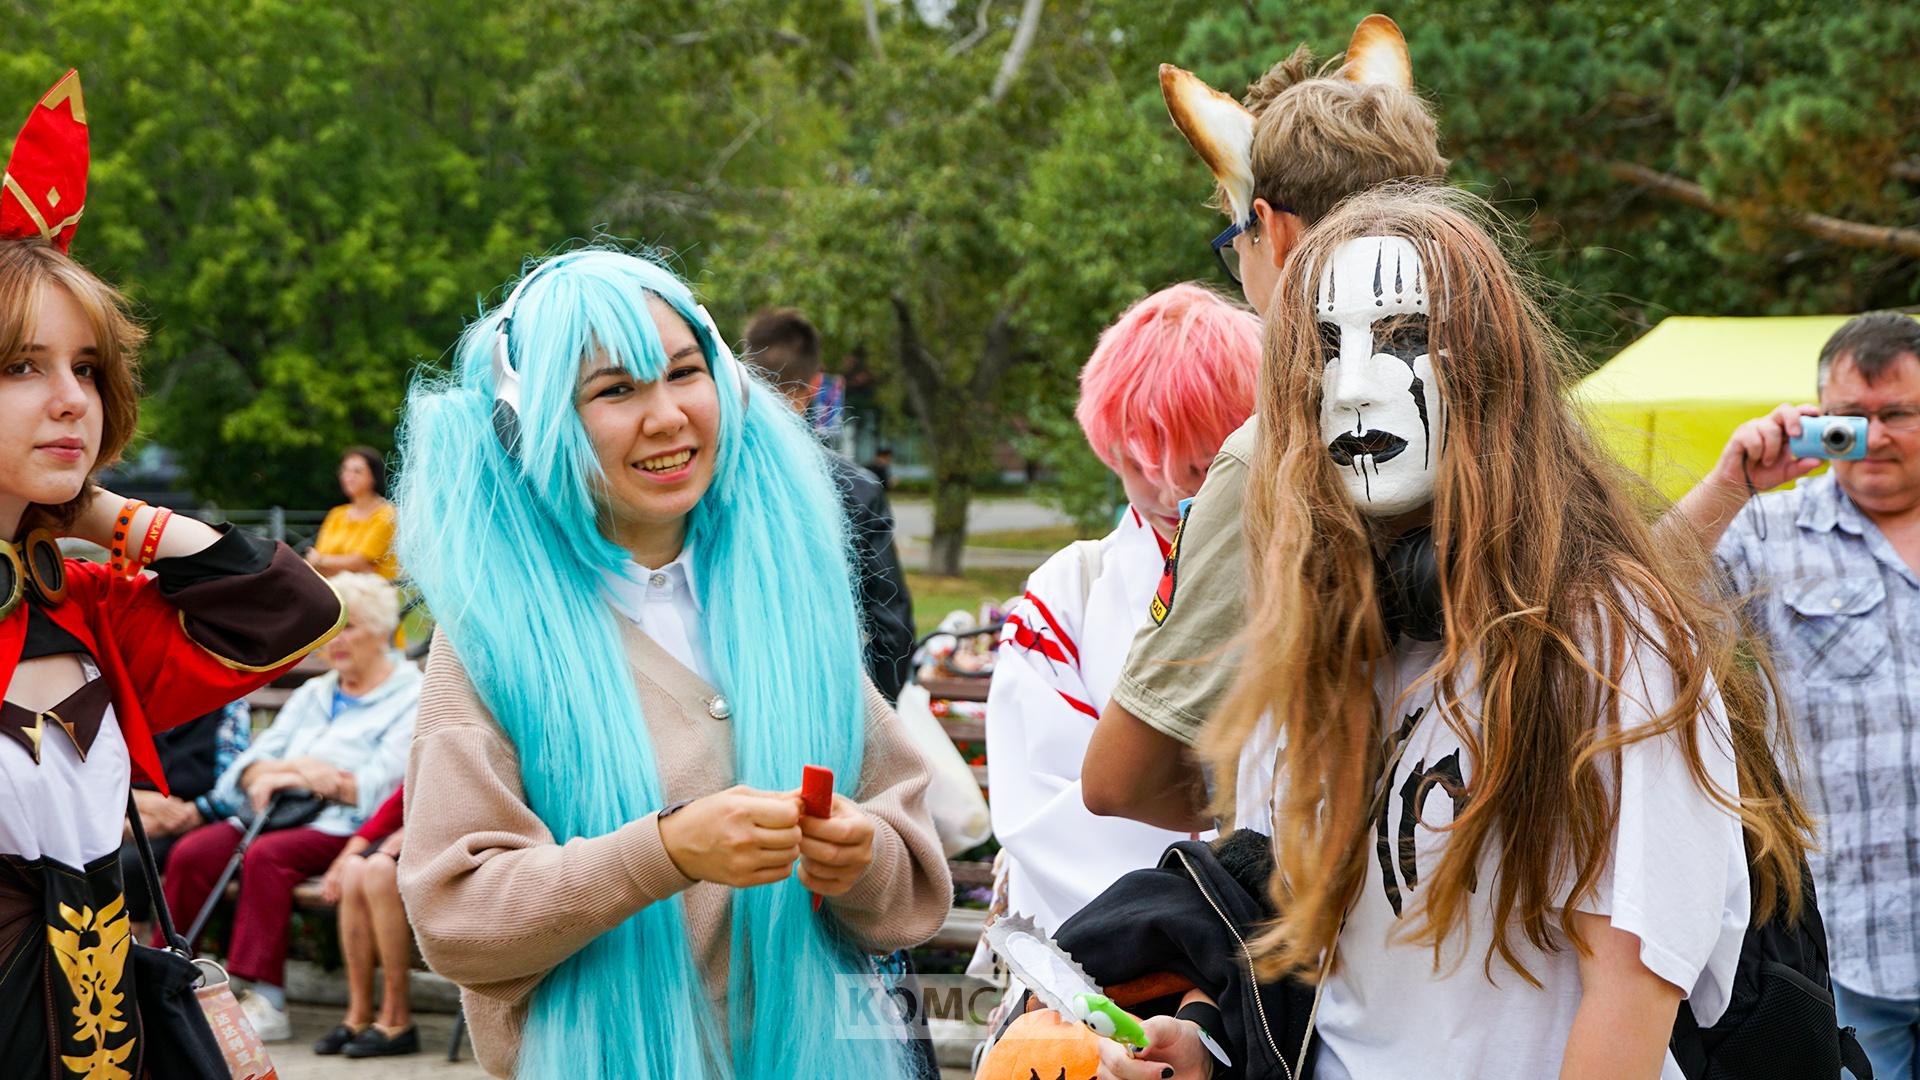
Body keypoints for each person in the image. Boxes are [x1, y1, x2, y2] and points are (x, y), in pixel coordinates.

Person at [1091, 184, 1814, 1080]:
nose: (1354, 384)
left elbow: (1628, 1002)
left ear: (1488, 374)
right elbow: (1303, 938)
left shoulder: (1612, 642)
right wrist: (1208, 1038)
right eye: (1323, 348)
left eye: (1401, 338)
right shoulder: (1321, 635)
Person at [393, 248, 951, 1079]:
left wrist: (859, 855)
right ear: (531, 421)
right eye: (615, 390)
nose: (667, 417)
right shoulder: (489, 640)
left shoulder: (789, 605)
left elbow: (908, 879)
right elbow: (458, 917)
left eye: (684, 374)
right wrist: (666, 852)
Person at [0, 69, 345, 1077]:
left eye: (86, 369)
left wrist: (103, 513)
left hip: (100, 1035)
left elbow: (285, 610)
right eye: (21, 366)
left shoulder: (84, 605)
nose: (71, 400)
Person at [1082, 14, 1450, 830]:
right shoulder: (1526, 420)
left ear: (1273, 231)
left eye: (1234, 238)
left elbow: (1118, 782)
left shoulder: (1273, 459)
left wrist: (1274, 806)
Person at [1670, 311, 1920, 1079]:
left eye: (1896, 415)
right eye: (1848, 420)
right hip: (1846, 942)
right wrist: (1729, 485)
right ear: (1815, 418)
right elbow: (1635, 595)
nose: (1872, 438)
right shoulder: (1767, 530)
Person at [985, 283, 1259, 936]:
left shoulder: (1315, 584)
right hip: (1101, 953)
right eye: (1139, 464)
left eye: (1197, 467)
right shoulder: (1067, 593)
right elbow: (1043, 801)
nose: (1167, 490)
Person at [160, 571, 419, 1042]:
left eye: (350, 628)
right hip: (273, 813)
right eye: (330, 629)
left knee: (267, 857)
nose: (335, 642)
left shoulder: (409, 694)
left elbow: (380, 783)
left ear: (381, 630)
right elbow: (250, 766)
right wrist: (297, 771)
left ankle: (268, 1000)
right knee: (195, 853)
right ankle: (172, 975)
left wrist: (301, 775)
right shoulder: (315, 693)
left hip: (345, 825)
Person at [746, 306, 917, 699]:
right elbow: (892, 629)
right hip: (822, 703)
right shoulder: (856, 488)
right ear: (814, 386)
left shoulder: (701, 481)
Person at [121, 698, 251, 935]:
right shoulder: (133, 692)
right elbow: (98, 771)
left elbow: (233, 782)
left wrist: (191, 814)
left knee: (130, 862)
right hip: (129, 809)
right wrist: (133, 805)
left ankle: (127, 957)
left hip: (195, 817)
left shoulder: (229, 704)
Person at [311, 784, 415, 1058]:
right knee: (355, 868)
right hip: (410, 837)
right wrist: (340, 863)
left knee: (380, 869)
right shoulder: (426, 744)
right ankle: (359, 1014)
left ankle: (397, 1016)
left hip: (453, 839)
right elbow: (386, 816)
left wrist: (415, 830)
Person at [307, 446, 399, 580]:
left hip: (373, 594)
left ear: (373, 476)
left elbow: (359, 561)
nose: (348, 477)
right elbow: (358, 566)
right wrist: (353, 567)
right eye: (345, 470)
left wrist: (320, 560)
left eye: (357, 471)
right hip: (335, 589)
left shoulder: (386, 513)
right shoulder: (337, 514)